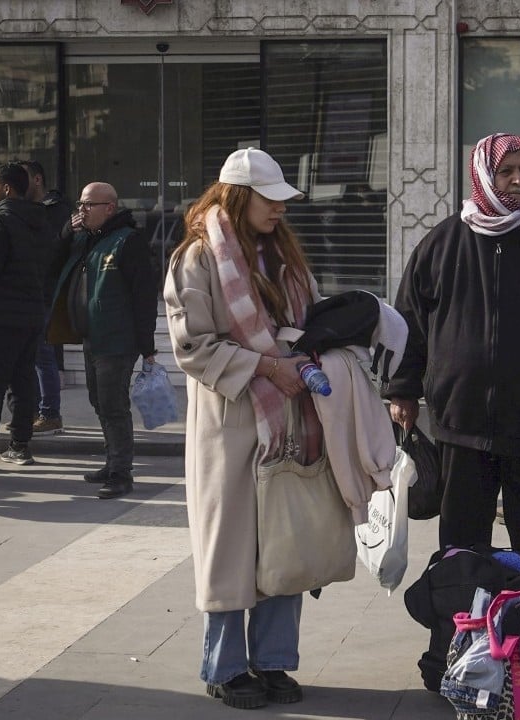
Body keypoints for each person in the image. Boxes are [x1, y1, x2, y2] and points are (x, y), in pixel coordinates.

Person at [385, 133, 520, 554]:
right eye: (506, 171)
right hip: (461, 426)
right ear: (485, 175)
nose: (518, 180)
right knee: (461, 554)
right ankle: (461, 623)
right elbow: (409, 323)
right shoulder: (443, 242)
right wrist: (402, 389)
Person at [165, 147, 320, 710]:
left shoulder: (285, 257)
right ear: (238, 195)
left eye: (283, 200)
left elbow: (309, 322)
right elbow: (193, 346)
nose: (280, 209)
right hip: (229, 423)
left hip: (286, 418)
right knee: (229, 549)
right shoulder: (197, 258)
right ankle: (226, 668)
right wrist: (269, 364)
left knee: (285, 540)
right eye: (270, 198)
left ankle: (275, 661)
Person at [47, 182, 157, 499]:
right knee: (99, 402)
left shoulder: (128, 241)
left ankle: (121, 472)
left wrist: (147, 346)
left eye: (87, 205)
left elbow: (144, 296)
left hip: (118, 340)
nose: (81, 211)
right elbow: (51, 266)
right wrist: (67, 232)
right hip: (91, 336)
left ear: (109, 207)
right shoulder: (85, 239)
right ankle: (112, 463)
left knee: (113, 406)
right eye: (79, 205)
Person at [0, 162, 50, 470]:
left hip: (0, 314)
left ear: (7, 188)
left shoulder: (0, 220)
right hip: (32, 313)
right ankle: (20, 446)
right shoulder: (40, 220)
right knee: (23, 382)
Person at [19, 160, 72, 435]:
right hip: (32, 291)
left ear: (37, 179)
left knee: (42, 353)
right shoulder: (31, 210)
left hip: (46, 291)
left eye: (23, 178)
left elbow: (54, 252)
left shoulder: (54, 211)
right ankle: (35, 411)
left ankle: (50, 412)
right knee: (33, 353)